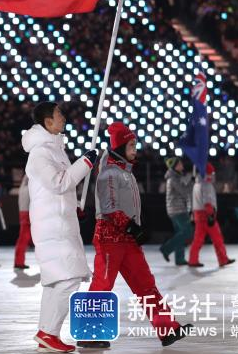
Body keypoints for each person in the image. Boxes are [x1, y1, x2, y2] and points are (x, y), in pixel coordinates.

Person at [79, 122, 192, 350]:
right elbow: (110, 206)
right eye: (131, 144)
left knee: (145, 284)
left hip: (127, 239)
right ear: (120, 146)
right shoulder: (109, 172)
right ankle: (88, 334)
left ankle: (166, 328)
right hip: (110, 237)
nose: (135, 148)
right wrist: (131, 226)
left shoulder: (124, 172)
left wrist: (133, 229)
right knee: (101, 286)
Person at [21, 103, 95, 354]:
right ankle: (49, 332)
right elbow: (59, 182)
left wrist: (74, 206)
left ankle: (46, 332)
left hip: (60, 222)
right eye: (59, 114)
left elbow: (61, 190)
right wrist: (85, 163)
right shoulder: (40, 153)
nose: (63, 118)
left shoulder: (54, 149)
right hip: (53, 226)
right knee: (70, 278)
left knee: (56, 281)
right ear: (47, 122)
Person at [188, 163, 235, 268]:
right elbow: (207, 201)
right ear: (208, 174)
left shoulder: (196, 184)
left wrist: (192, 215)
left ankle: (192, 259)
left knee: (198, 239)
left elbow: (194, 201)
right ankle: (223, 259)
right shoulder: (206, 185)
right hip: (207, 215)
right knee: (217, 238)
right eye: (212, 173)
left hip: (198, 215)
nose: (213, 175)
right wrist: (211, 215)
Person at [159, 157, 193, 266]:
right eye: (180, 164)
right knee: (188, 232)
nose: (182, 165)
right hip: (178, 210)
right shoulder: (173, 179)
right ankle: (166, 248)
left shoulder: (176, 177)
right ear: (175, 166)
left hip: (176, 209)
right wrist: (190, 181)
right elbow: (184, 191)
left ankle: (179, 259)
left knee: (180, 233)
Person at [13, 174, 31, 270]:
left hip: (24, 213)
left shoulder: (22, 188)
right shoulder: (29, 189)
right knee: (23, 239)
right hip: (27, 213)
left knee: (23, 239)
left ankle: (18, 261)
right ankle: (19, 262)